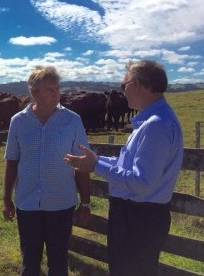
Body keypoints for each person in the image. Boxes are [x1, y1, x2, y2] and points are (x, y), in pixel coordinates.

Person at [64, 60, 183, 276]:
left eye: (124, 85)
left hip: (137, 218)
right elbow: (129, 165)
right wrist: (96, 160)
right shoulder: (155, 121)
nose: (123, 91)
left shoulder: (156, 125)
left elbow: (141, 182)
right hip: (140, 216)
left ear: (135, 84)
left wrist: (96, 165)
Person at [2, 66, 91, 276]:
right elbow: (11, 161)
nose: (56, 94)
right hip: (28, 205)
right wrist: (6, 198)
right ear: (34, 93)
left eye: (57, 88)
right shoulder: (18, 122)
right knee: (29, 264)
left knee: (58, 264)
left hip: (61, 205)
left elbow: (81, 164)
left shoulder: (72, 120)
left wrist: (85, 202)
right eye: (49, 90)